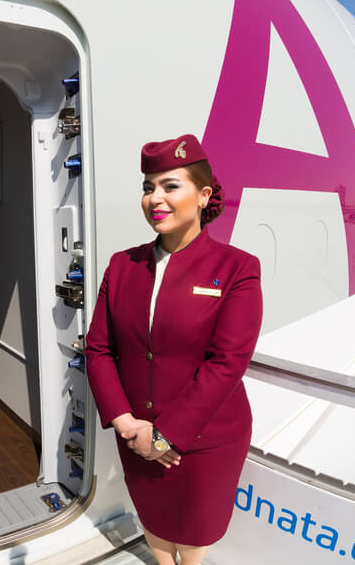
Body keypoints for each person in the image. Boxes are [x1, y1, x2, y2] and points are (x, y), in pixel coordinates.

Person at [84, 134, 263, 565]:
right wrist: (128, 424)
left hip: (203, 440)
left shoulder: (237, 268)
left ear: (203, 196)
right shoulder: (122, 265)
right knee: (156, 524)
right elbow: (98, 348)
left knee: (196, 535)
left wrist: (166, 436)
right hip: (136, 435)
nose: (155, 199)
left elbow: (227, 363)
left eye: (170, 186)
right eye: (148, 188)